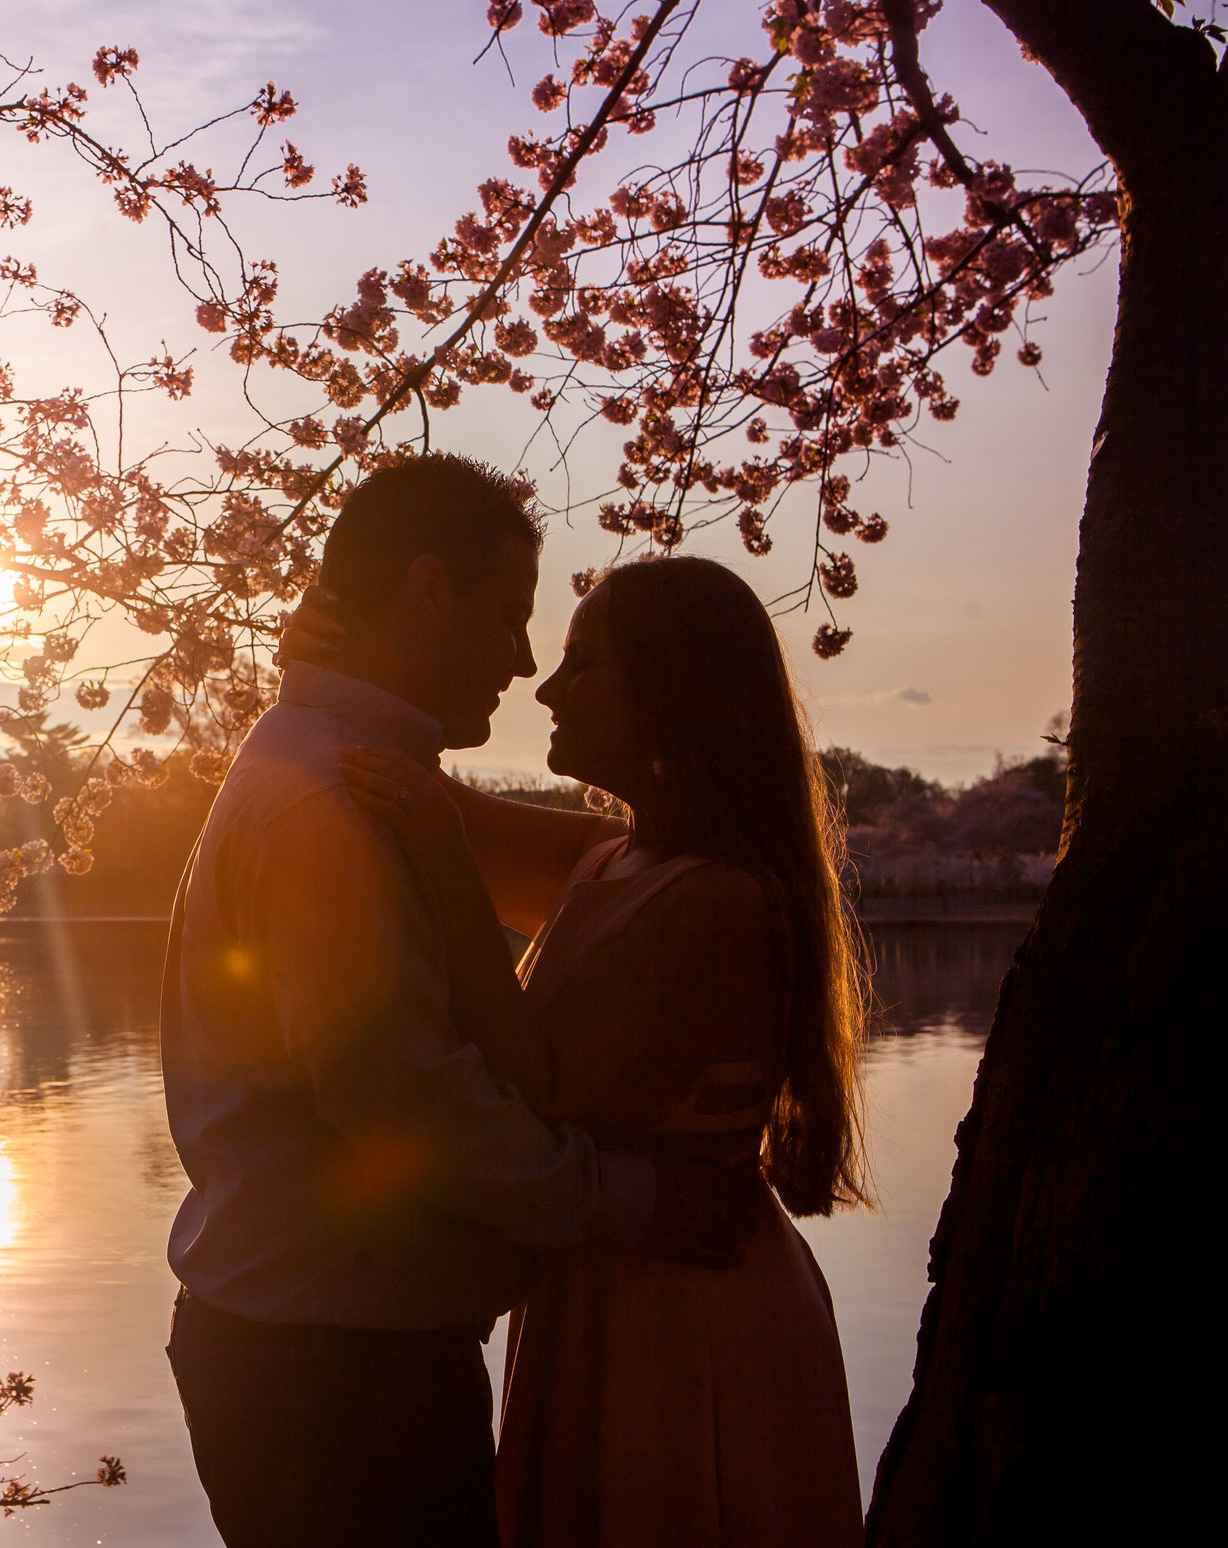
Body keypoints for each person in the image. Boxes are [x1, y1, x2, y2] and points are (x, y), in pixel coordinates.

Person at [161, 455, 765, 1548]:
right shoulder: (330, 806)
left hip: (329, 1356)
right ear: (428, 589)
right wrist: (628, 1198)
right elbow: (403, 1106)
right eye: (507, 614)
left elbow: (615, 866)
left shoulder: (355, 777)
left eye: (567, 650)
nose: (524, 661)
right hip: (334, 1375)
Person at [293, 554, 869, 1548]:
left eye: (582, 661)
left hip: (685, 1322)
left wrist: (434, 849)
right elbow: (424, 797)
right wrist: (334, 668)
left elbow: (540, 1080)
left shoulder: (720, 902)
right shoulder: (612, 856)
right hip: (611, 1286)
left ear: (669, 690)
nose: (545, 687)